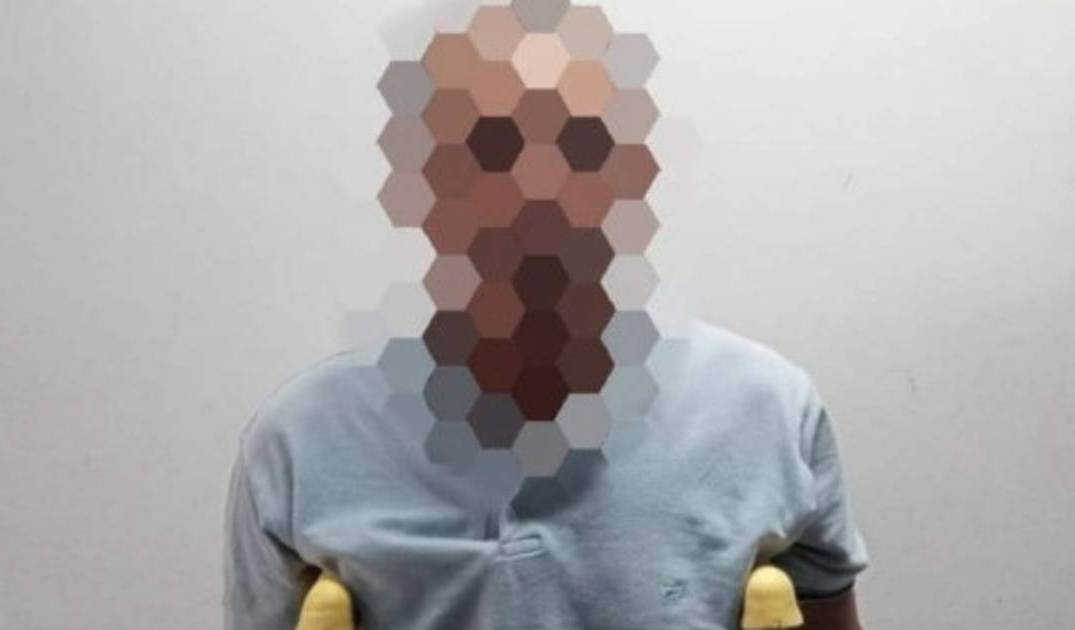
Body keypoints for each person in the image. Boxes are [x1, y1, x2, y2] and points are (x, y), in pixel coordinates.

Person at [224, 3, 868, 628]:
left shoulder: (768, 414)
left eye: (576, 143)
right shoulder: (298, 446)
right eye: (491, 147)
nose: (537, 184)